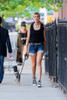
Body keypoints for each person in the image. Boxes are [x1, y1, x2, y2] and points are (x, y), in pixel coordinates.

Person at [24, 12, 46, 87]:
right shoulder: (30, 26)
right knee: (33, 64)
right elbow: (28, 38)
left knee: (39, 63)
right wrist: (25, 49)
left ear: (39, 17)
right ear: (33, 18)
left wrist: (45, 47)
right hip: (32, 46)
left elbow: (44, 37)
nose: (36, 18)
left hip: (40, 45)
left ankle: (39, 81)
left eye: (37, 16)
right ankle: (34, 78)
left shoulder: (43, 25)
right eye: (34, 17)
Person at [0, 17, 12, 83]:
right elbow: (8, 41)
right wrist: (10, 51)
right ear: (1, 22)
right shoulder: (5, 31)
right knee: (1, 66)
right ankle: (0, 79)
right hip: (2, 50)